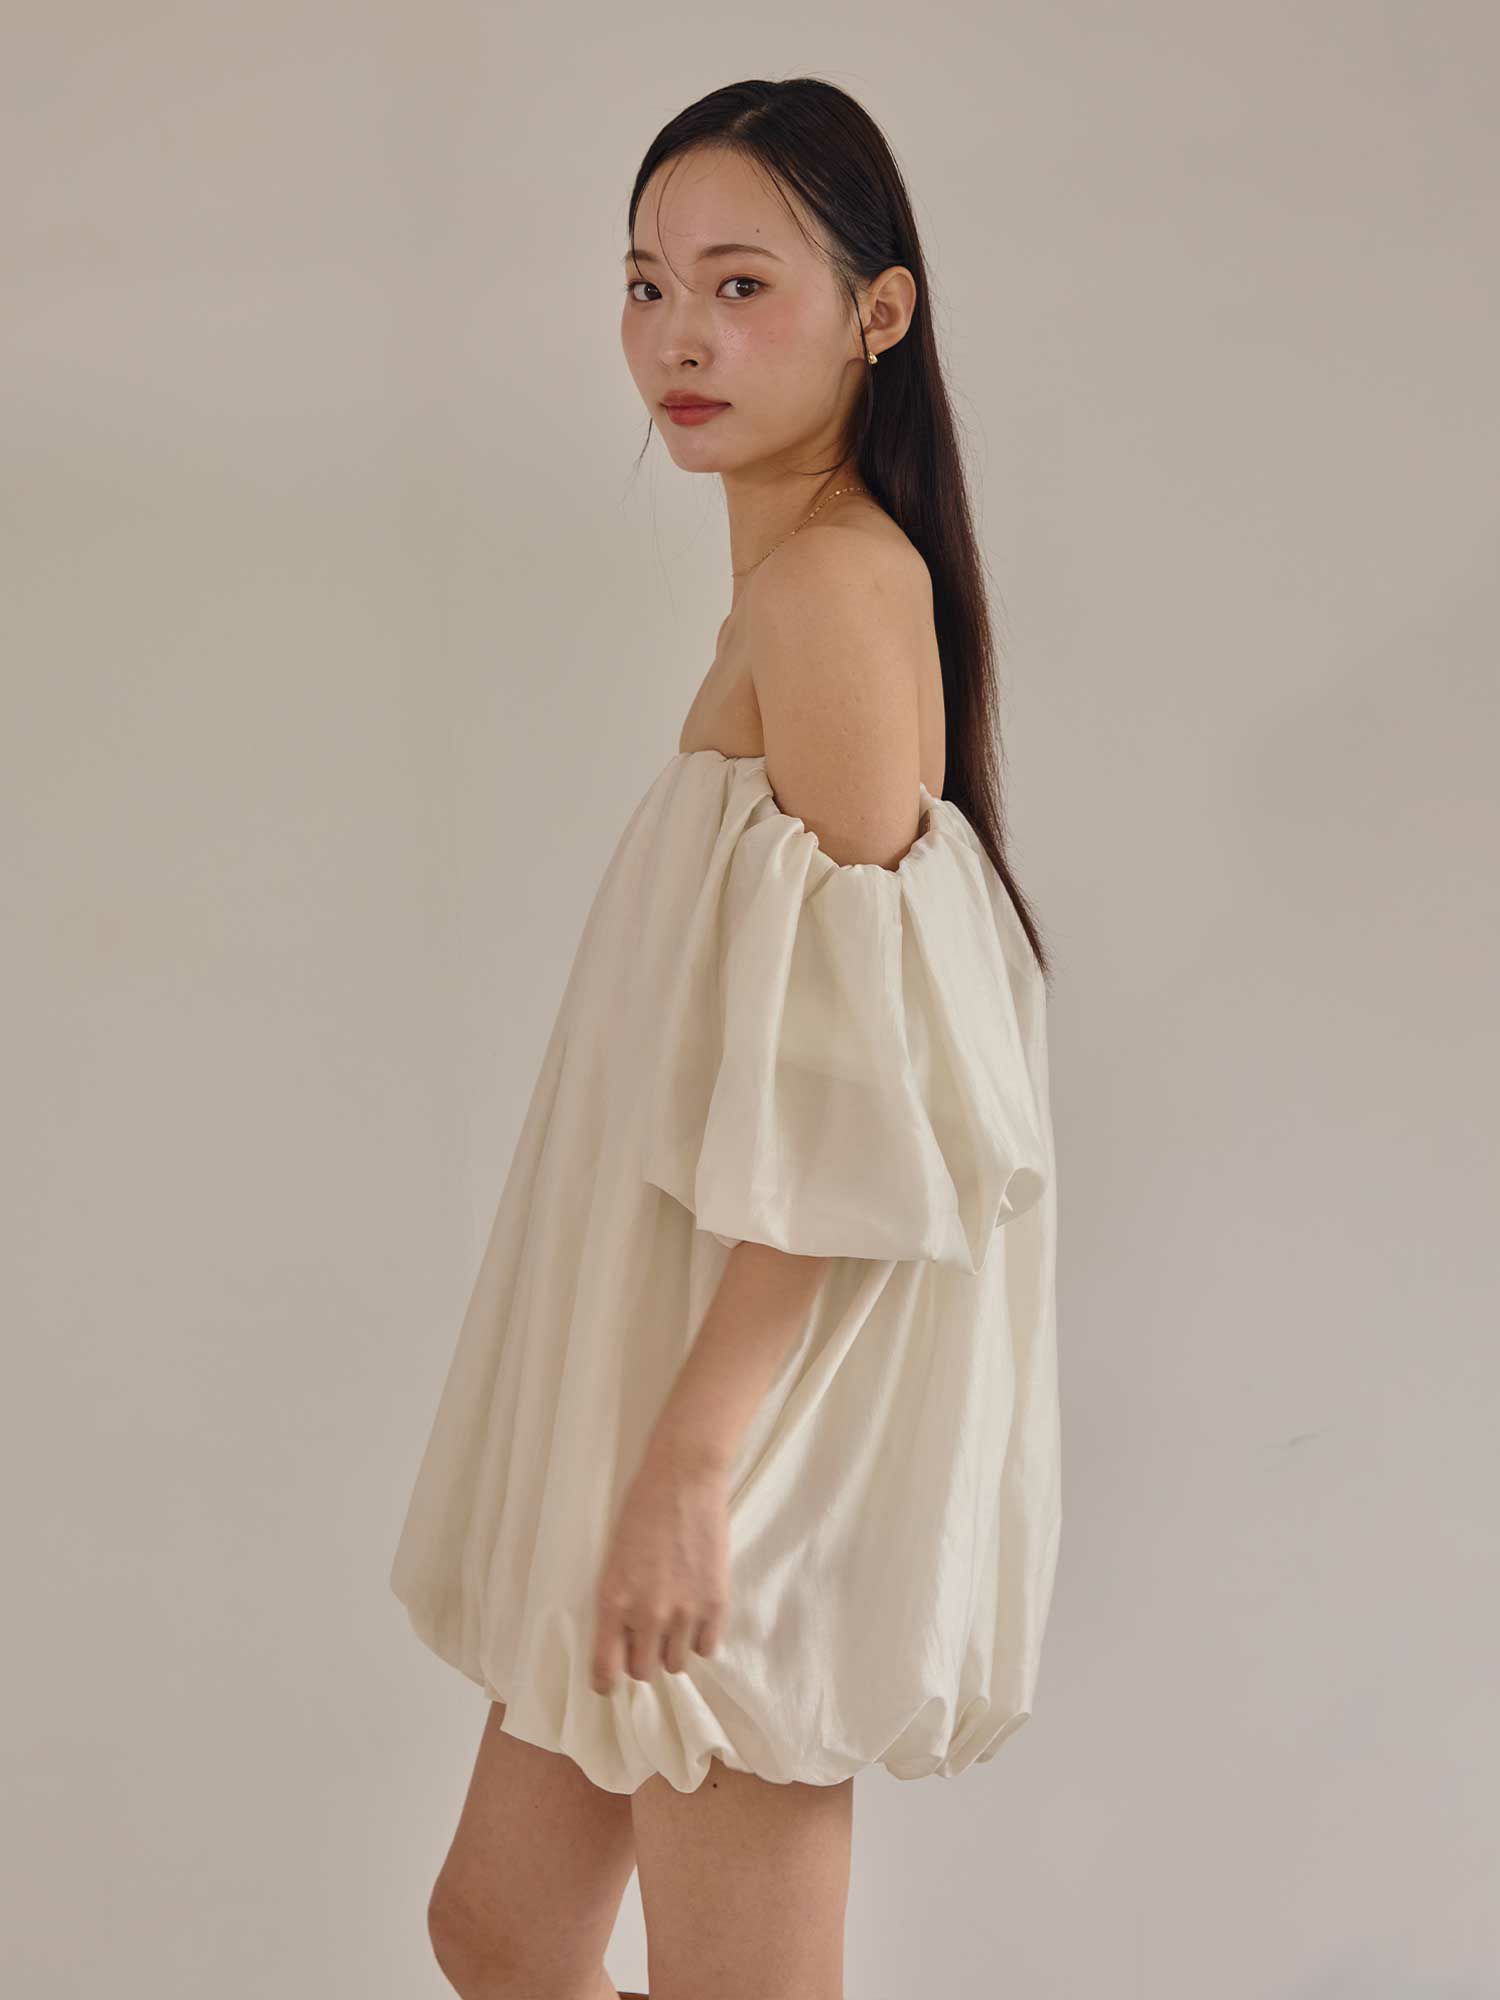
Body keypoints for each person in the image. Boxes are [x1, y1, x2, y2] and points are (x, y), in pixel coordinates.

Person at [391, 76, 1060, 2000]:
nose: (679, 335)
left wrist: (692, 1466)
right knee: (501, 1930)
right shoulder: (791, 586)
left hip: (741, 1422)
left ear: (879, 313)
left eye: (742, 284)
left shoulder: (837, 588)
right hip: (674, 1377)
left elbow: (866, 1096)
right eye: (647, 284)